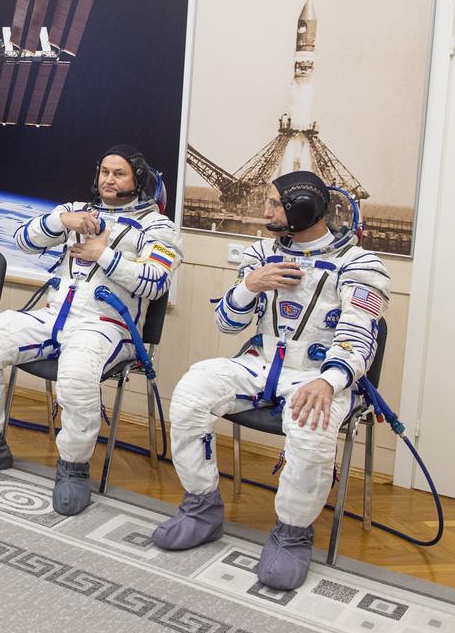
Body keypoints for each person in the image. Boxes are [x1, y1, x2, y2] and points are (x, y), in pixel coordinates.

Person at [152, 170, 389, 591]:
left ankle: (292, 535)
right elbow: (226, 324)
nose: (265, 211)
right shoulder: (260, 254)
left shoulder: (359, 265)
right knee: (192, 390)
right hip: (261, 366)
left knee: (310, 423)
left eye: (275, 203)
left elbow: (359, 337)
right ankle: (202, 506)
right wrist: (248, 285)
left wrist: (330, 382)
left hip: (319, 376)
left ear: (303, 208)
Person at [0, 145, 183, 517]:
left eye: (118, 173)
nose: (108, 179)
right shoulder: (76, 213)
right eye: (104, 171)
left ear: (139, 181)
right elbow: (22, 239)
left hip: (108, 326)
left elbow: (154, 283)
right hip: (56, 316)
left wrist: (104, 255)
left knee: (76, 376)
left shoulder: (157, 228)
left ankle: (73, 469)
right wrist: (61, 222)